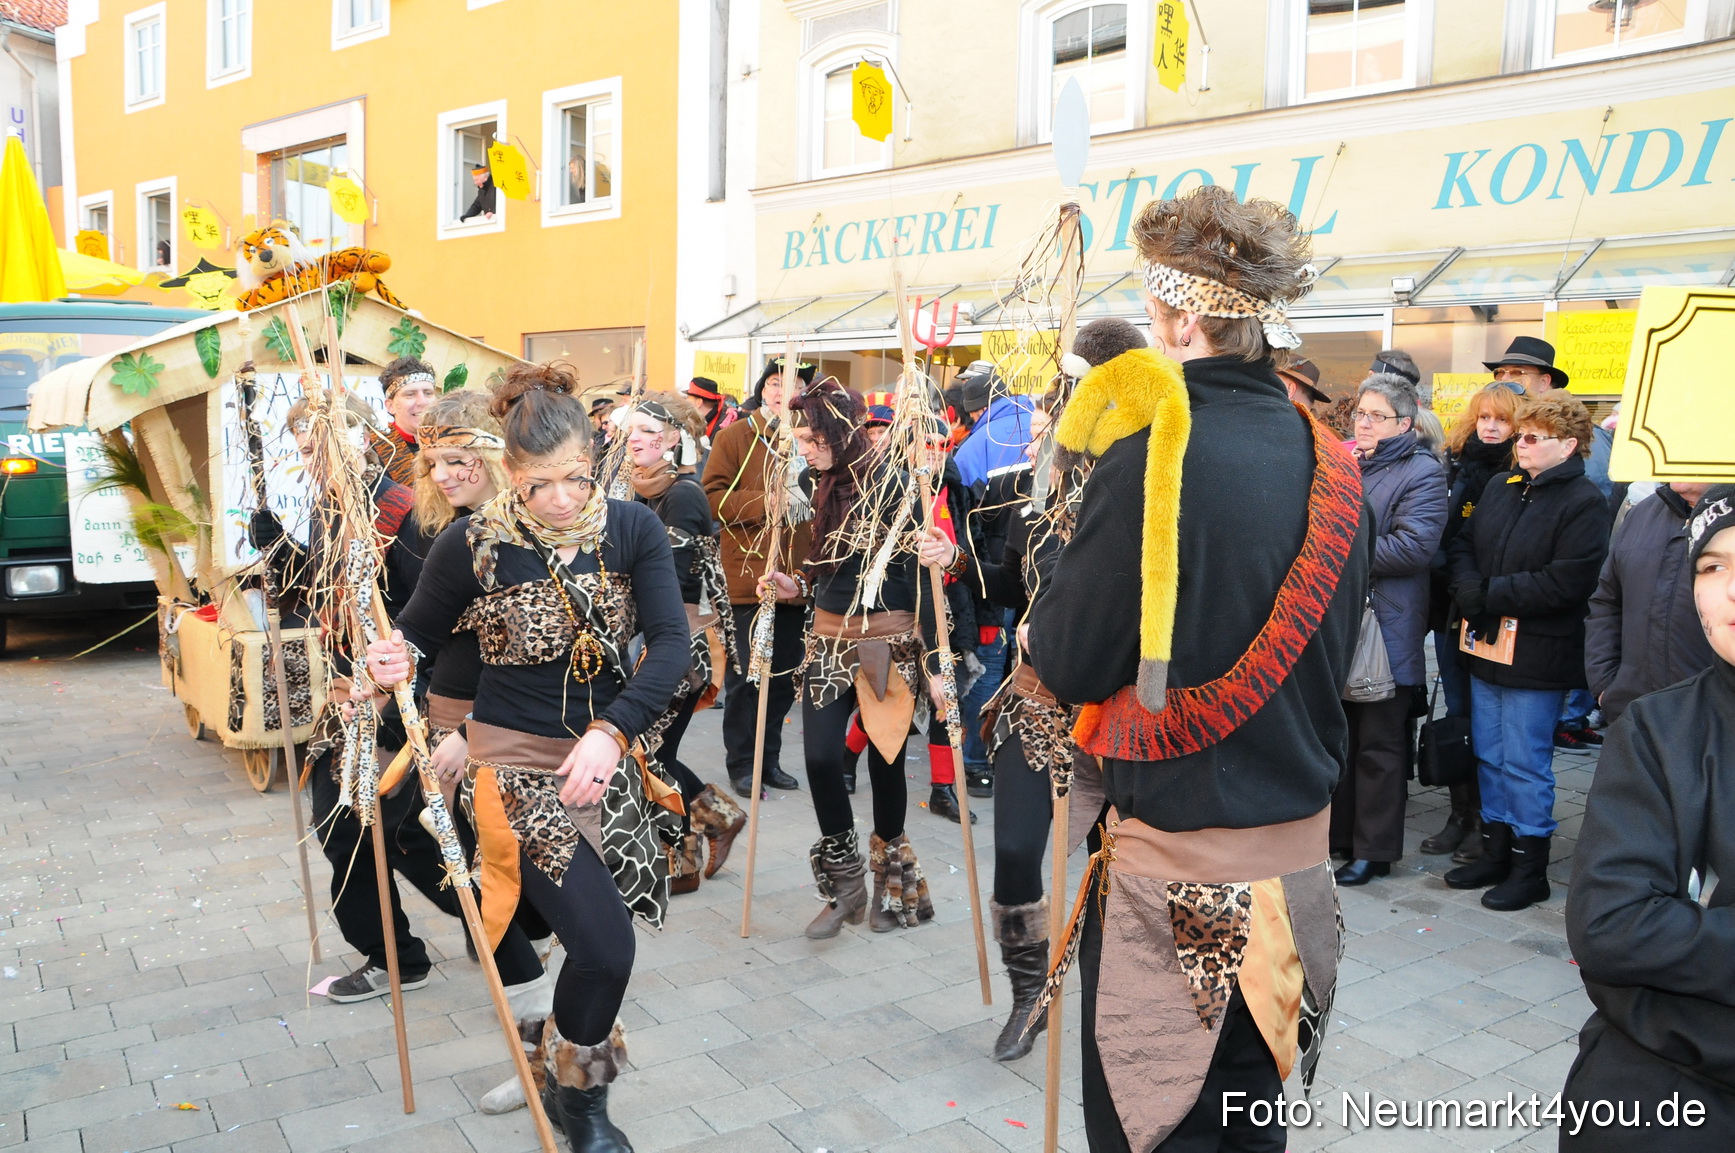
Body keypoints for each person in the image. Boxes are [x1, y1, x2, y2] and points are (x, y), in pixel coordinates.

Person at [1028, 185, 1370, 1153]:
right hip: (1297, 879)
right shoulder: (1337, 463)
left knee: (1151, 1134)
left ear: (1177, 320)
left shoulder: (1152, 456)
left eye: (1152, 307)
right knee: (1250, 1134)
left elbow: (1068, 658)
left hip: (1172, 884)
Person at [366, 363, 690, 1151]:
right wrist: (384, 663)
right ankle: (581, 1104)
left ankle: (554, 1056)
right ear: (509, 472)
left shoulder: (631, 528)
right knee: (607, 945)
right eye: (540, 484)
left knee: (585, 941)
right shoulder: (471, 543)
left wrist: (612, 732)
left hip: (606, 760)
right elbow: (414, 636)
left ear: (595, 461)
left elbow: (672, 645)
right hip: (513, 767)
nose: (561, 499)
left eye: (576, 479)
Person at [253, 393, 463, 1005]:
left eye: (324, 446)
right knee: (343, 822)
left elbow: (435, 619)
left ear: (362, 438)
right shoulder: (331, 509)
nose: (313, 460)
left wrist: (400, 695)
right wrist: (281, 552)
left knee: (399, 829)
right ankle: (394, 954)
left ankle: (502, 918)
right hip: (350, 692)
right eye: (303, 450)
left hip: (407, 697)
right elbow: (319, 598)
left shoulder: (409, 513)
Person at [1559, 486, 1735, 1151]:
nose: (1729, 591)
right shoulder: (1661, 730)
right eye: (1710, 566)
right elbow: (1612, 924)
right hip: (1666, 1092)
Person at [408, 391, 558, 1118]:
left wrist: (472, 731)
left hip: (501, 738)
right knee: (477, 891)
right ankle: (541, 1036)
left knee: (494, 899)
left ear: (501, 457)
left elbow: (533, 655)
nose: (447, 475)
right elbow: (419, 633)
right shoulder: (452, 535)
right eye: (436, 462)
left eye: (463, 459)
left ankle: (544, 1050)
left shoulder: (526, 541)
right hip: (446, 727)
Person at [759, 378, 941, 940]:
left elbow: (927, 570)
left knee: (885, 763)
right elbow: (832, 570)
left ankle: (891, 886)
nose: (805, 449)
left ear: (839, 431)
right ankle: (846, 886)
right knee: (819, 758)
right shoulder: (824, 485)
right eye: (801, 439)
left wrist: (937, 663)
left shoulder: (892, 481)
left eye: (813, 438)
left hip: (886, 641)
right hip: (828, 639)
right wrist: (796, 588)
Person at [1445, 389, 1610, 912]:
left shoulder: (1584, 502)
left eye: (1533, 437)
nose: (1521, 444)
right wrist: (1469, 587)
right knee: (1488, 753)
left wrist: (1487, 595)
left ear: (1567, 445)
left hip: (1537, 652)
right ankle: (1495, 850)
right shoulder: (1502, 485)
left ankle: (1528, 864)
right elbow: (1463, 543)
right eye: (1521, 435)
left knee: (1524, 760)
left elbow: (1567, 581)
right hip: (1488, 640)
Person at [623, 392, 747, 894]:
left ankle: (687, 860)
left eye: (647, 430)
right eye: (631, 430)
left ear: (673, 438)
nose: (634, 439)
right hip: (644, 638)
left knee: (653, 754)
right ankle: (717, 819)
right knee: (651, 752)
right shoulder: (631, 488)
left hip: (680, 643)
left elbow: (665, 580)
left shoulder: (683, 495)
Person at [1330, 374, 1447, 885]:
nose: (1365, 423)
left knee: (1380, 744)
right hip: (1343, 622)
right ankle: (1339, 838)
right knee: (1342, 740)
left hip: (1387, 626)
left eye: (1376, 416)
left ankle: (1373, 850)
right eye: (1360, 414)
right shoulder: (1349, 461)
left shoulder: (1421, 472)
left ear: (1405, 422)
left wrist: (1335, 554)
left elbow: (1413, 548)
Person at [701, 357, 815, 798]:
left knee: (783, 680)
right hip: (749, 578)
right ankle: (742, 764)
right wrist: (764, 502)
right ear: (762, 388)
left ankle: (769, 761)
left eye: (793, 383)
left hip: (793, 583)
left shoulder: (810, 438)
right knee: (748, 679)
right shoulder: (737, 435)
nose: (780, 390)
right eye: (773, 382)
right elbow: (711, 498)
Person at [1420, 382, 1519, 862]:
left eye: (1501, 418)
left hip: (1492, 610)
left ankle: (1485, 818)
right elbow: (1446, 533)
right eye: (1484, 417)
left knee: (1487, 719)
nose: (1491, 426)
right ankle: (1460, 813)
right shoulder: (1458, 463)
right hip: (1449, 606)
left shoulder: (1519, 472)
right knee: (1458, 710)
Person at [1584, 482, 1714, 726]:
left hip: (1714, 722)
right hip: (1632, 712)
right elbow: (1607, 602)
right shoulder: (1643, 513)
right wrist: (1606, 685)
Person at [374, 357, 439, 488]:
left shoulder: (451, 443)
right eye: (410, 394)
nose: (422, 402)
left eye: (428, 393)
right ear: (390, 406)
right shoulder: (373, 449)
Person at [1484, 335, 1567, 395]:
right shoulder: (1489, 417)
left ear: (1543, 382)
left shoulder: (1560, 419)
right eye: (1500, 372)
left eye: (1517, 372)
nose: (1504, 378)